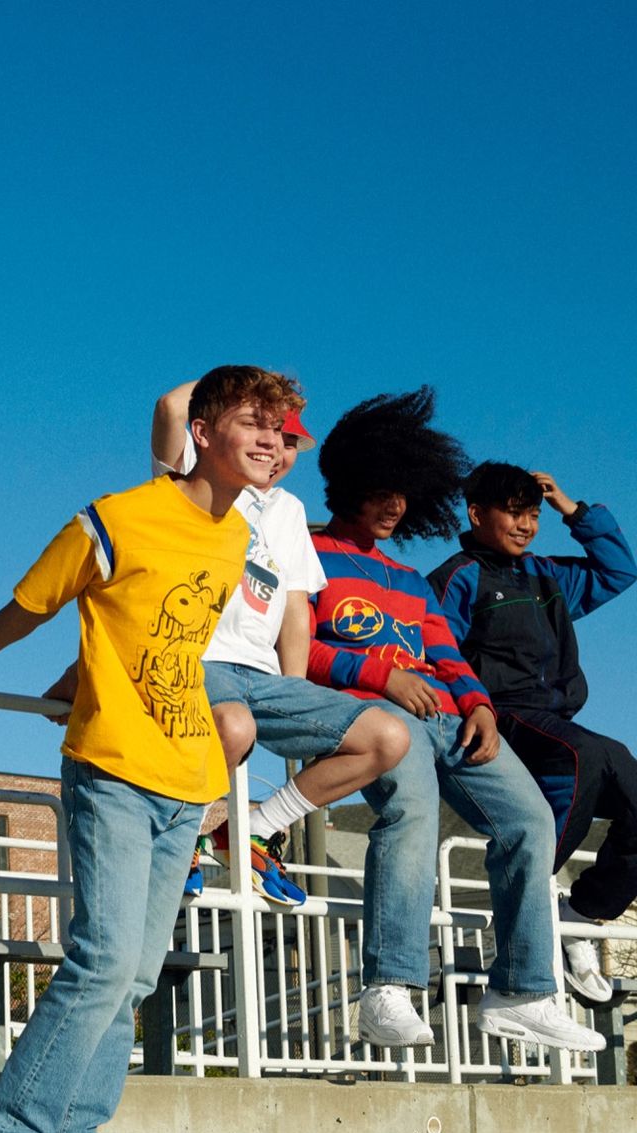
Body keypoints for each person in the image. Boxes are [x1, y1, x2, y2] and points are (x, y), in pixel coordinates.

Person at [0, 365, 286, 1133]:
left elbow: (160, 642)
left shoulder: (235, 538)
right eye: (252, 423)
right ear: (203, 433)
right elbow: (32, 603)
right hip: (111, 766)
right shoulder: (118, 515)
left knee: (138, 975)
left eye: (279, 430)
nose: (271, 440)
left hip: (189, 778)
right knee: (102, 960)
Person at [307, 388, 603, 1053]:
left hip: (452, 719)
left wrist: (478, 706)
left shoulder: (410, 579)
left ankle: (521, 992)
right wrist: (383, 675)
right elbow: (295, 652)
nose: (395, 506)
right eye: (383, 490)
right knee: (408, 811)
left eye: (405, 495)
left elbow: (445, 651)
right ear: (349, 482)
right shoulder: (307, 556)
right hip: (379, 715)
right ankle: (389, 986)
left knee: (529, 822)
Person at [148, 380, 410, 906]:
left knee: (387, 738)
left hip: (261, 675)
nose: (280, 450)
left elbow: (294, 608)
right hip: (202, 658)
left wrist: (295, 693)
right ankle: (179, 844)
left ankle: (252, 831)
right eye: (268, 431)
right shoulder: (199, 479)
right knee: (232, 727)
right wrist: (250, 386)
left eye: (290, 441)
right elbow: (171, 407)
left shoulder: (289, 510)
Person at [429, 462, 637, 1002]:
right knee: (584, 756)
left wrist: (574, 511)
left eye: (533, 514)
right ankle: (527, 906)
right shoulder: (460, 576)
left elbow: (619, 571)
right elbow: (437, 651)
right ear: (477, 514)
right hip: (500, 716)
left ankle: (580, 912)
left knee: (629, 785)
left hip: (556, 719)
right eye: (513, 513)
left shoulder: (548, 574)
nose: (526, 524)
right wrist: (467, 709)